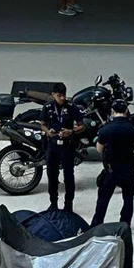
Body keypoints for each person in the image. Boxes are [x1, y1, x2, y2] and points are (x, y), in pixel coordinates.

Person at [90, 99, 134, 227]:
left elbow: (99, 149)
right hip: (129, 169)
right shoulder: (133, 129)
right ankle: (125, 224)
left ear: (112, 111)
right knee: (128, 198)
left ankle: (96, 224)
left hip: (112, 169)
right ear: (126, 111)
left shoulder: (106, 130)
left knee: (103, 199)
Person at [39, 82, 86, 212]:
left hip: (67, 146)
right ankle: (53, 203)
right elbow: (42, 124)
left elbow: (82, 126)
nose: (62, 98)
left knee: (69, 176)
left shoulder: (71, 107)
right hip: (53, 146)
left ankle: (68, 204)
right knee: (52, 176)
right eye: (59, 95)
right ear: (53, 94)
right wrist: (49, 132)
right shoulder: (48, 107)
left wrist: (71, 131)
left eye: (64, 95)